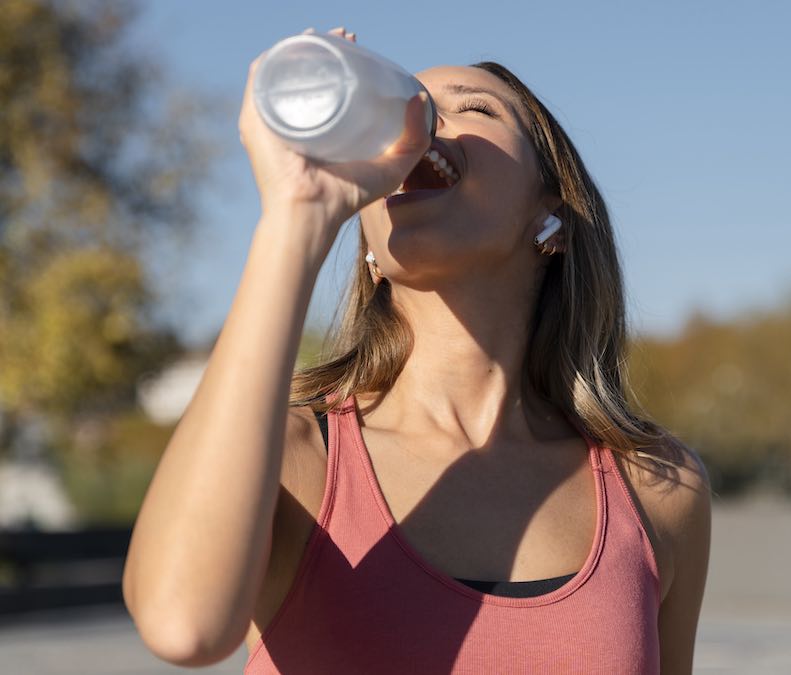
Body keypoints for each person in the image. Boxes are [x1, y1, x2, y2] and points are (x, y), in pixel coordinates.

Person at [123, 26, 711, 674]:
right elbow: (184, 626)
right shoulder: (297, 459)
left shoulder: (657, 488)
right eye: (404, 106)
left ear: (553, 215)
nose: (420, 123)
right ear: (370, 247)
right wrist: (297, 213)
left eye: (473, 107)